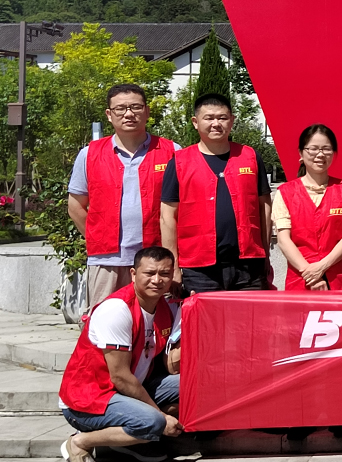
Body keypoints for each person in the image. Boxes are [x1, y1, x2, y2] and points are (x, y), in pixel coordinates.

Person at [58, 246, 182, 462]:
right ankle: (80, 441)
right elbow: (120, 377)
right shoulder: (117, 310)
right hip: (89, 400)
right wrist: (162, 416)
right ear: (133, 274)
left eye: (164, 274)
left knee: (194, 384)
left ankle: (130, 439)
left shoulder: (164, 306)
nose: (157, 280)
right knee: (154, 422)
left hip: (130, 389)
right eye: (149, 273)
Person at [68, 84, 180, 313]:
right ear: (109, 114)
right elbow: (75, 206)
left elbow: (183, 208)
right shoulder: (89, 154)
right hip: (107, 261)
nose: (129, 114)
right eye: (120, 108)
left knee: (159, 323)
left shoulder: (172, 152)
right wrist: (97, 236)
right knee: (104, 321)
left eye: (135, 107)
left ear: (147, 111)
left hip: (156, 260)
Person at [160, 94, 272, 294]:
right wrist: (173, 265)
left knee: (249, 315)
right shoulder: (179, 162)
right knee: (202, 315)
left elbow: (264, 206)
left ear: (232, 121)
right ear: (195, 122)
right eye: (209, 118)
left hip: (248, 266)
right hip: (199, 269)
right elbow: (167, 216)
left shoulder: (250, 157)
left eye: (222, 118)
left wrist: (265, 253)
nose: (216, 124)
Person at [273, 124, 342, 291]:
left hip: (338, 280)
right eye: (313, 149)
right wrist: (310, 274)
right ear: (301, 153)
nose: (320, 154)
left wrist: (321, 267)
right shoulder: (285, 193)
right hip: (300, 280)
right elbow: (284, 240)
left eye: (326, 149)